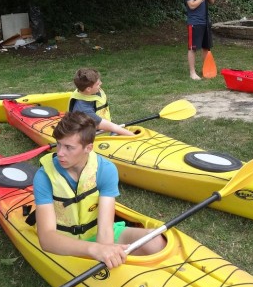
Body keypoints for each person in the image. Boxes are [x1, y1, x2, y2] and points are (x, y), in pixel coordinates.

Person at [33, 112, 166, 269]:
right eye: (59, 144)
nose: (60, 152)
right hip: (65, 241)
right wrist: (95, 250)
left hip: (97, 233)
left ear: (88, 148)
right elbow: (47, 239)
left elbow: (105, 229)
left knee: (155, 241)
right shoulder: (44, 176)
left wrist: (105, 249)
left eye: (69, 147)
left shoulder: (105, 170)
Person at [68, 68, 135, 136]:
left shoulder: (87, 90)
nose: (101, 83)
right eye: (97, 84)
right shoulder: (83, 109)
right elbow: (111, 127)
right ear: (88, 89)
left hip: (104, 129)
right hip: (93, 137)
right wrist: (133, 136)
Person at [184, 0, 216, 80]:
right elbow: (192, 5)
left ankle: (206, 69)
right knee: (192, 48)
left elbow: (212, 2)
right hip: (194, 22)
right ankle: (192, 73)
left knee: (206, 47)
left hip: (205, 21)